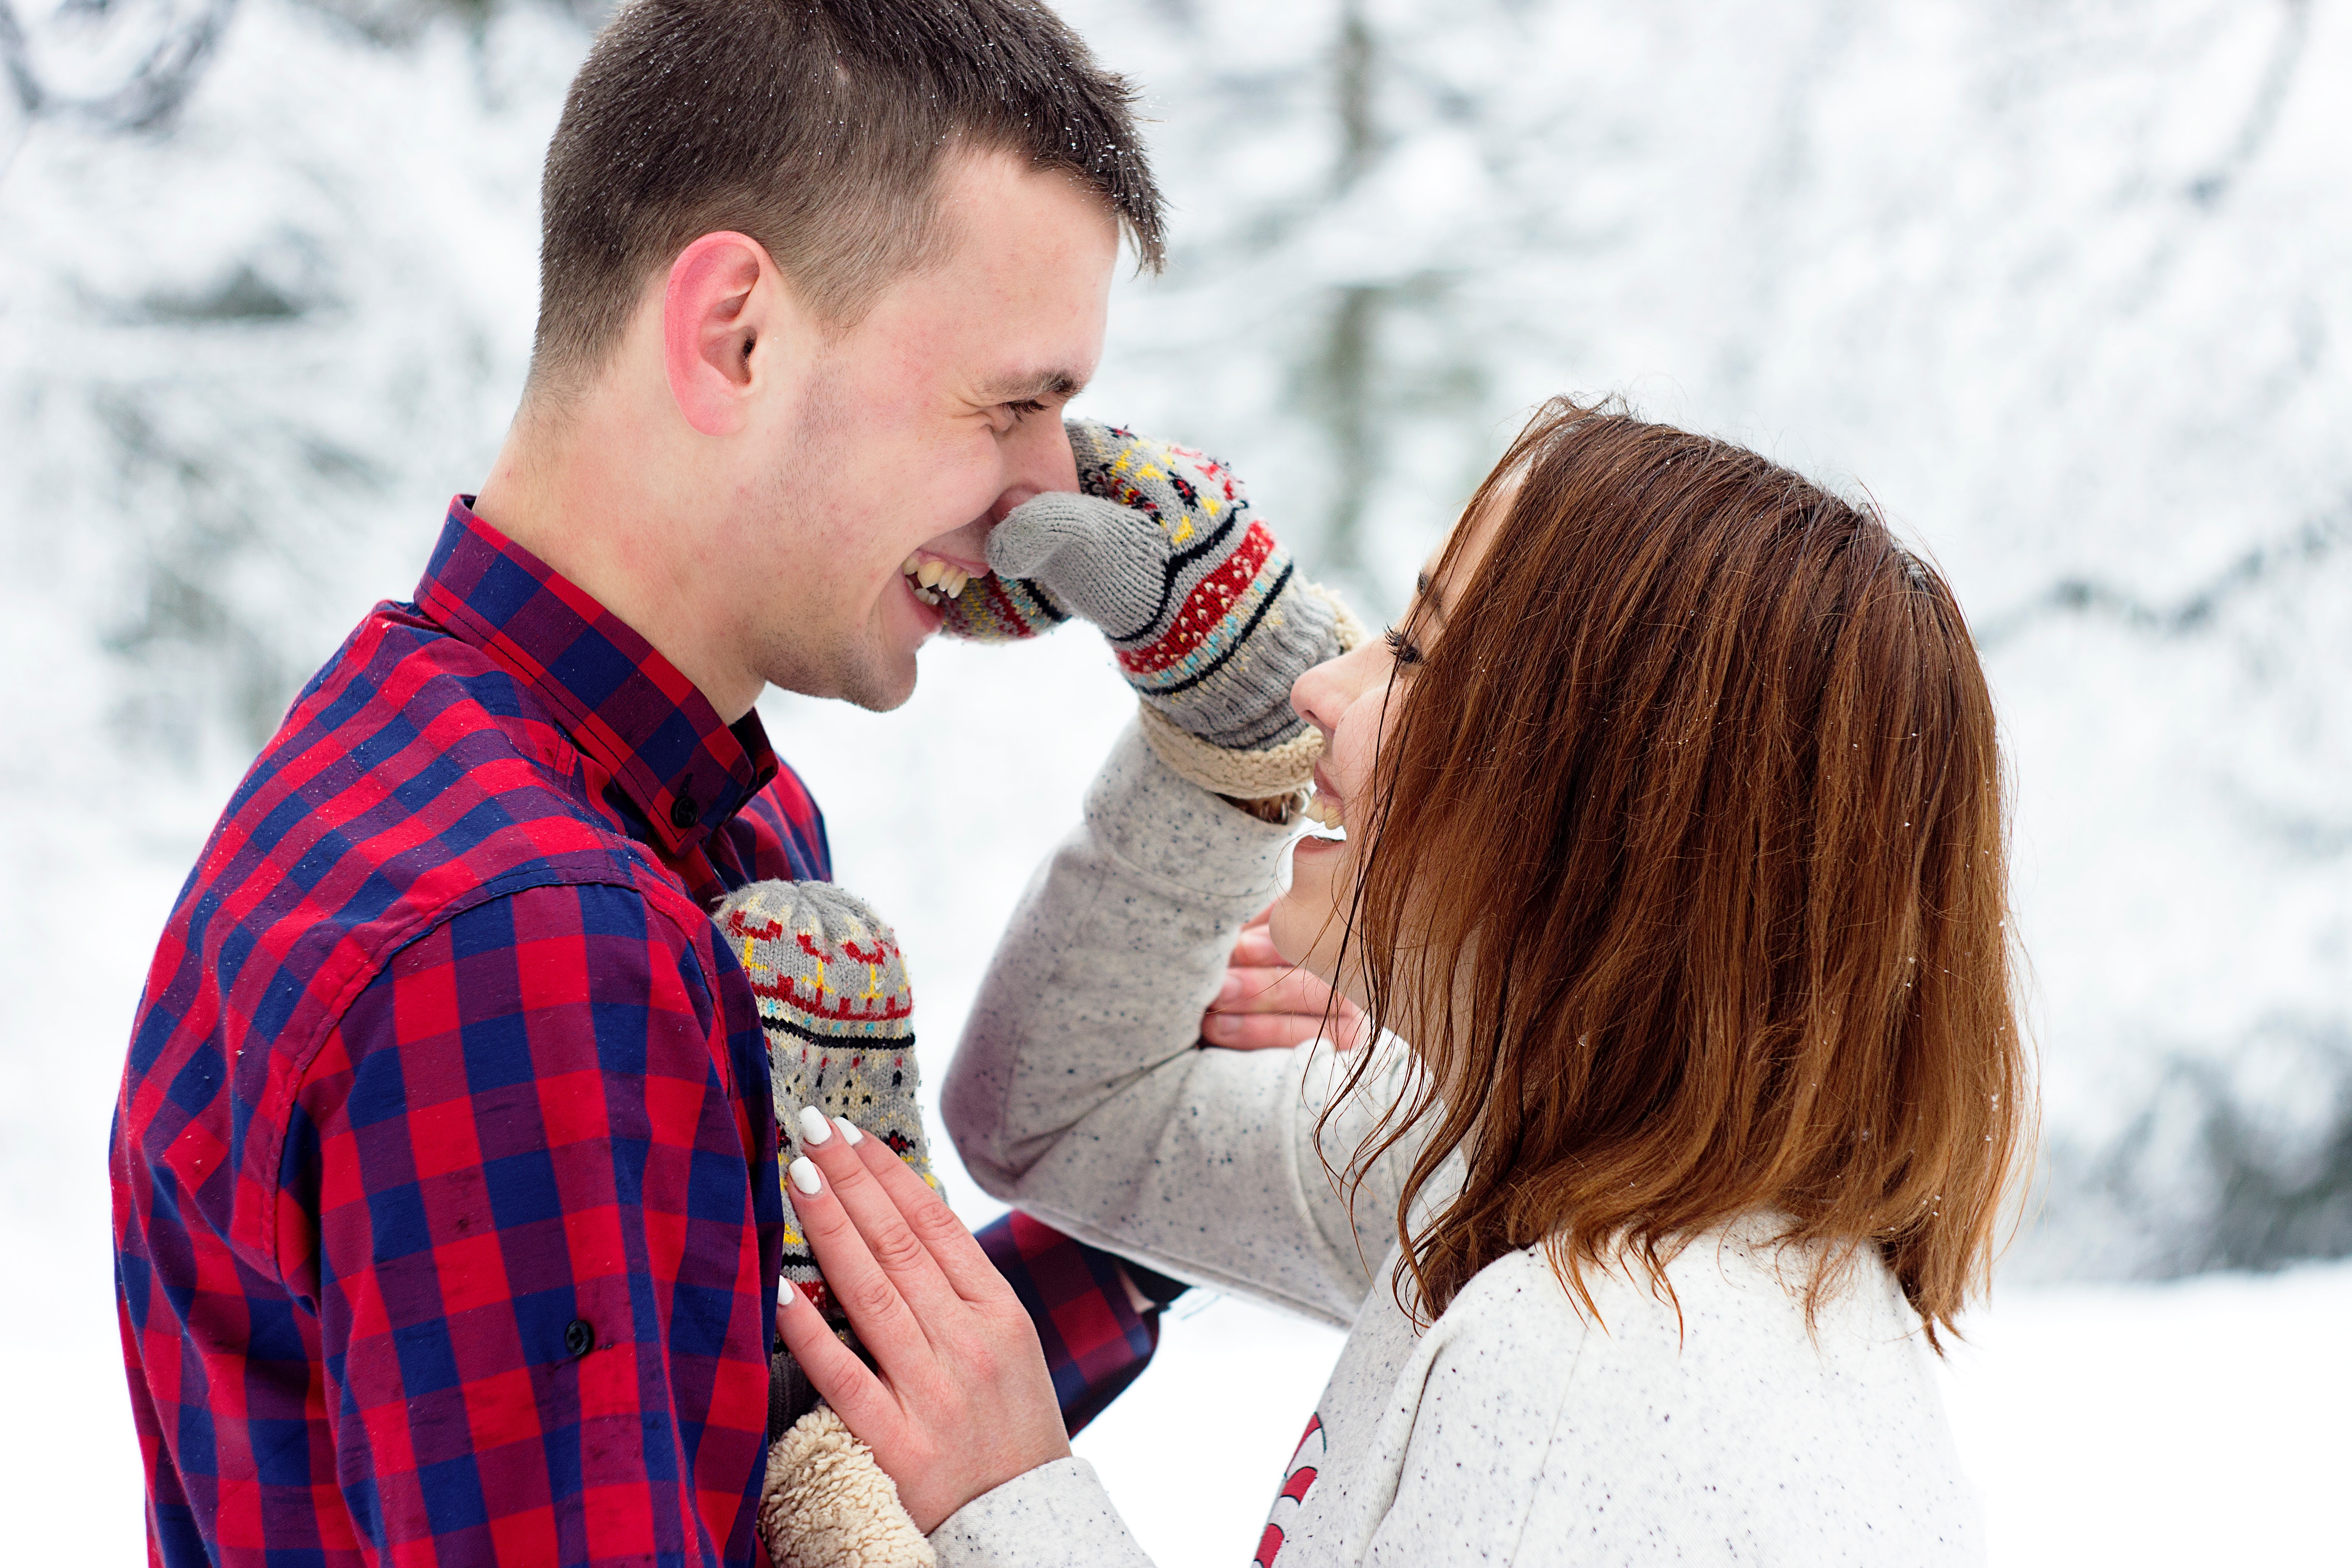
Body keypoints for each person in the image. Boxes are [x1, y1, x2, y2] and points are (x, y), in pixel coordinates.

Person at [107, 4, 1350, 1562]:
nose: (1054, 484)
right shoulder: (528, 947)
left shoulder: (679, 816)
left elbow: (740, 1454)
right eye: (1011, 402)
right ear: (735, 336)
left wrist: (1152, 1180)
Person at [770, 399, 2030, 1564]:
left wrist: (1012, 1503)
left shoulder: (1598, 1360)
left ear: (1599, 813)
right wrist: (1222, 718)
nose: (1324, 688)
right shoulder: (1524, 1182)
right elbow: (1062, 1114)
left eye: (1417, 655)